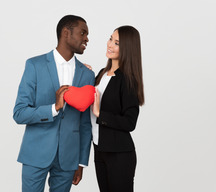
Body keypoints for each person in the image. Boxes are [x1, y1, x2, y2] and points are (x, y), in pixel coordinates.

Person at [13, 15, 95, 192]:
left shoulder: (87, 74)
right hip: (36, 154)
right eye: (83, 33)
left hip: (68, 158)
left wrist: (81, 161)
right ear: (66, 33)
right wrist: (53, 108)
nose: (87, 39)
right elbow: (19, 113)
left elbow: (85, 123)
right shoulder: (35, 65)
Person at [90, 25, 144, 192]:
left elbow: (130, 122)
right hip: (99, 150)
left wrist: (100, 114)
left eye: (117, 43)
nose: (110, 44)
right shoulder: (101, 74)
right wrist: (83, 73)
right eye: (110, 39)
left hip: (119, 154)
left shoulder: (128, 80)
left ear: (127, 48)